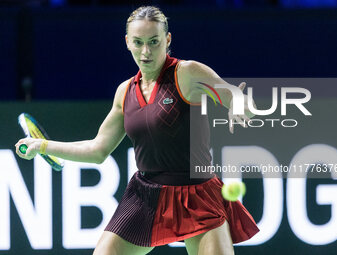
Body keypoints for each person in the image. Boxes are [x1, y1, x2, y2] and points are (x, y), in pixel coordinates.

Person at [15, 6, 259, 255]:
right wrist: (42, 146)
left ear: (168, 39)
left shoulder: (186, 73)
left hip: (196, 193)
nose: (146, 51)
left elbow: (234, 95)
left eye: (154, 42)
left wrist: (240, 104)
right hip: (146, 195)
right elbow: (97, 149)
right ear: (127, 43)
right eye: (138, 42)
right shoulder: (125, 92)